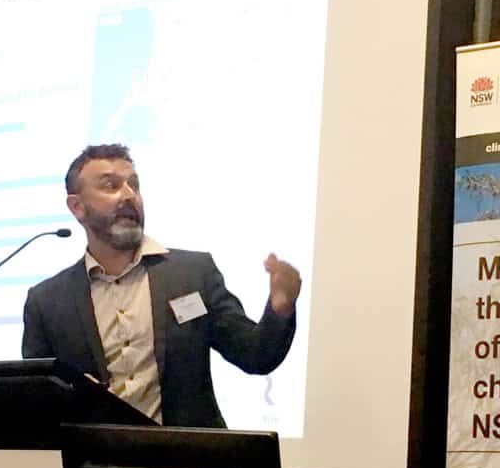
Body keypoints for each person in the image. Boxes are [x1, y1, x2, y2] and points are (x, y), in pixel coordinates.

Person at [21, 143, 301, 427]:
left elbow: (256, 355)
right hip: (97, 464)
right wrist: (72, 395)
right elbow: (37, 400)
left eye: (134, 186)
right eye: (111, 186)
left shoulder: (193, 274)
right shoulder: (47, 302)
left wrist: (280, 307)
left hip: (188, 461)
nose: (129, 195)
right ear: (77, 206)